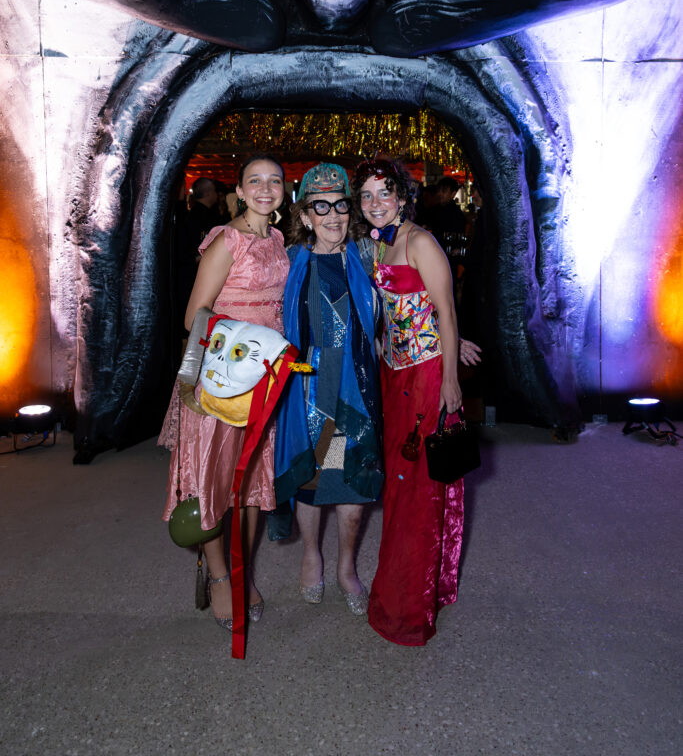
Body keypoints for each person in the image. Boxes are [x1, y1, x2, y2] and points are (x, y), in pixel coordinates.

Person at [353, 157, 481, 646]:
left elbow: (446, 311)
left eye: (384, 193)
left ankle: (409, 604)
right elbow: (397, 309)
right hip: (393, 374)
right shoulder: (375, 245)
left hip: (427, 376)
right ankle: (419, 584)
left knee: (419, 487)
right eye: (367, 195)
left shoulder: (421, 242)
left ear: (403, 198)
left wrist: (450, 380)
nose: (375, 203)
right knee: (399, 484)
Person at [159, 154, 289, 630]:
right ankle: (218, 578)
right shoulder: (226, 240)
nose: (265, 188)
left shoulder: (278, 239)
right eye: (255, 180)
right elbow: (194, 315)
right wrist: (246, 343)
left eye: (274, 181)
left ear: (284, 190)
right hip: (223, 376)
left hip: (264, 380)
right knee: (212, 479)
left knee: (252, 482)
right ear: (239, 190)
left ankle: (241, 570)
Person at [273, 163, 383, 614]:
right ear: (305, 216)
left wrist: (450, 337)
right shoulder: (289, 261)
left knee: (352, 479)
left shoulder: (366, 254)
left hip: (357, 383)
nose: (333, 216)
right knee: (314, 477)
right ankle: (311, 556)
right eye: (321, 207)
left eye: (340, 205)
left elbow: (409, 296)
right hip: (310, 387)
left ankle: (346, 567)